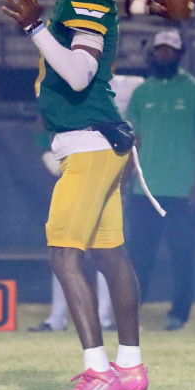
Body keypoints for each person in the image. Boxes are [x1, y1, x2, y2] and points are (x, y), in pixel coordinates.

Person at [1, 0, 166, 390]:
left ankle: (98, 371)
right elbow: (116, 3)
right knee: (109, 255)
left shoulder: (85, 3)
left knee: (64, 255)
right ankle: (130, 367)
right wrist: (151, 5)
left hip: (89, 142)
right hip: (104, 141)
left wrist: (34, 28)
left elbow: (78, 74)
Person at [29, 73, 145, 333]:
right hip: (76, 172)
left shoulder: (127, 87)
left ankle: (103, 316)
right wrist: (47, 155)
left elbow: (135, 136)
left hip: (105, 172)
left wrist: (123, 177)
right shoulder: (62, 80)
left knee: (105, 249)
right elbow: (40, 125)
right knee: (64, 248)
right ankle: (58, 316)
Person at [125, 29, 195, 331]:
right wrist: (126, 181)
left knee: (182, 257)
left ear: (180, 55)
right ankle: (132, 314)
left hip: (182, 190)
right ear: (153, 54)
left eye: (170, 50)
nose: (163, 54)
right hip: (144, 190)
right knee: (139, 257)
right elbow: (134, 141)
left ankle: (179, 314)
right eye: (160, 50)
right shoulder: (142, 93)